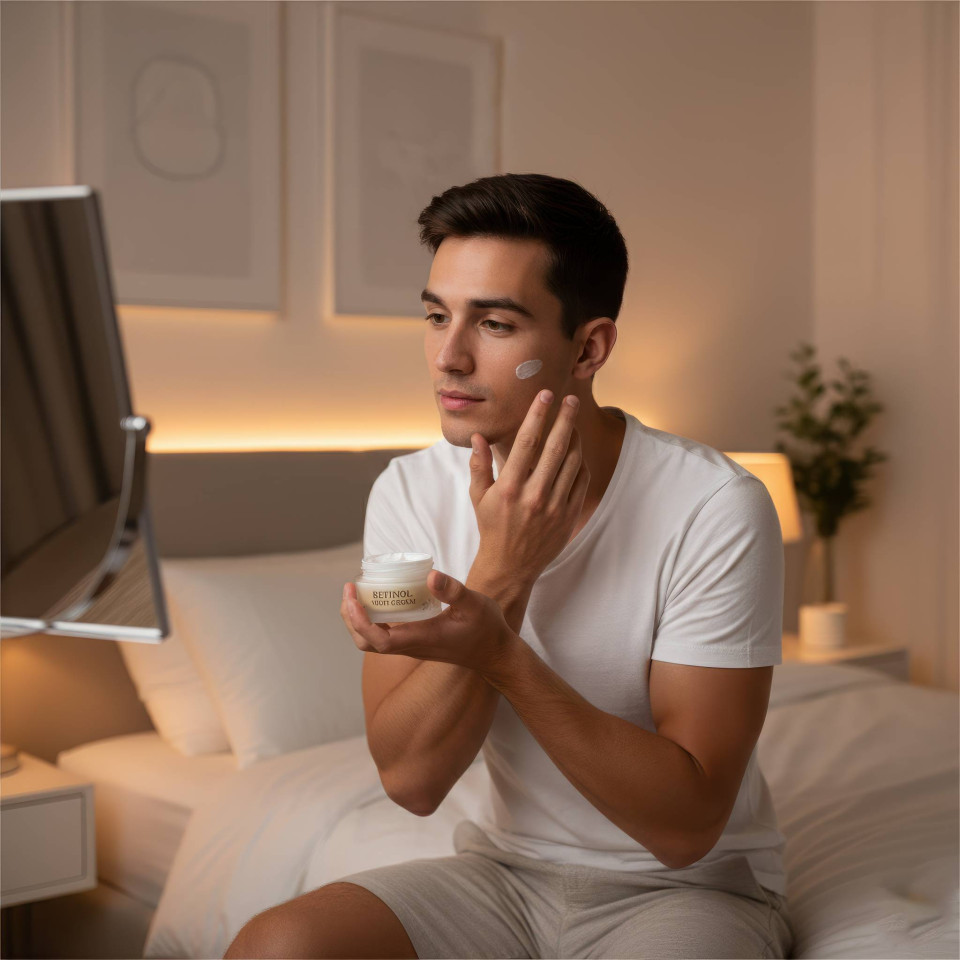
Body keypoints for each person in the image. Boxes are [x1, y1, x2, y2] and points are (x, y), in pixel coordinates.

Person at [223, 173, 796, 959]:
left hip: (686, 893)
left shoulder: (714, 505)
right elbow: (412, 783)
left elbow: (686, 827)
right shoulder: (410, 493)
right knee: (278, 946)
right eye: (435, 316)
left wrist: (495, 647)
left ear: (588, 348)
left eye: (493, 323)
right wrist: (502, 570)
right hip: (504, 876)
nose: (448, 357)